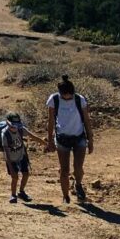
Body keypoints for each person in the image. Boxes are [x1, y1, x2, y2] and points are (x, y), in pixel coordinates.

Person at [46, 75, 94, 203]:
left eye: (70, 96)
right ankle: (65, 196)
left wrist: (91, 140)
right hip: (62, 139)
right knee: (64, 170)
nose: (67, 98)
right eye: (64, 96)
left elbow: (87, 120)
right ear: (60, 93)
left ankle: (78, 184)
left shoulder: (80, 99)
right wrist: (50, 140)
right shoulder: (54, 99)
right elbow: (50, 121)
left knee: (78, 167)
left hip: (79, 137)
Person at [0, 112, 45, 203]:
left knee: (26, 174)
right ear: (7, 123)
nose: (15, 127)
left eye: (16, 125)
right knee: (15, 177)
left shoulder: (21, 129)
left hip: (21, 155)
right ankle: (13, 195)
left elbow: (33, 137)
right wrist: (11, 168)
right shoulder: (5, 134)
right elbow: (6, 153)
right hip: (11, 158)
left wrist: (47, 144)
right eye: (13, 125)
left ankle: (21, 192)